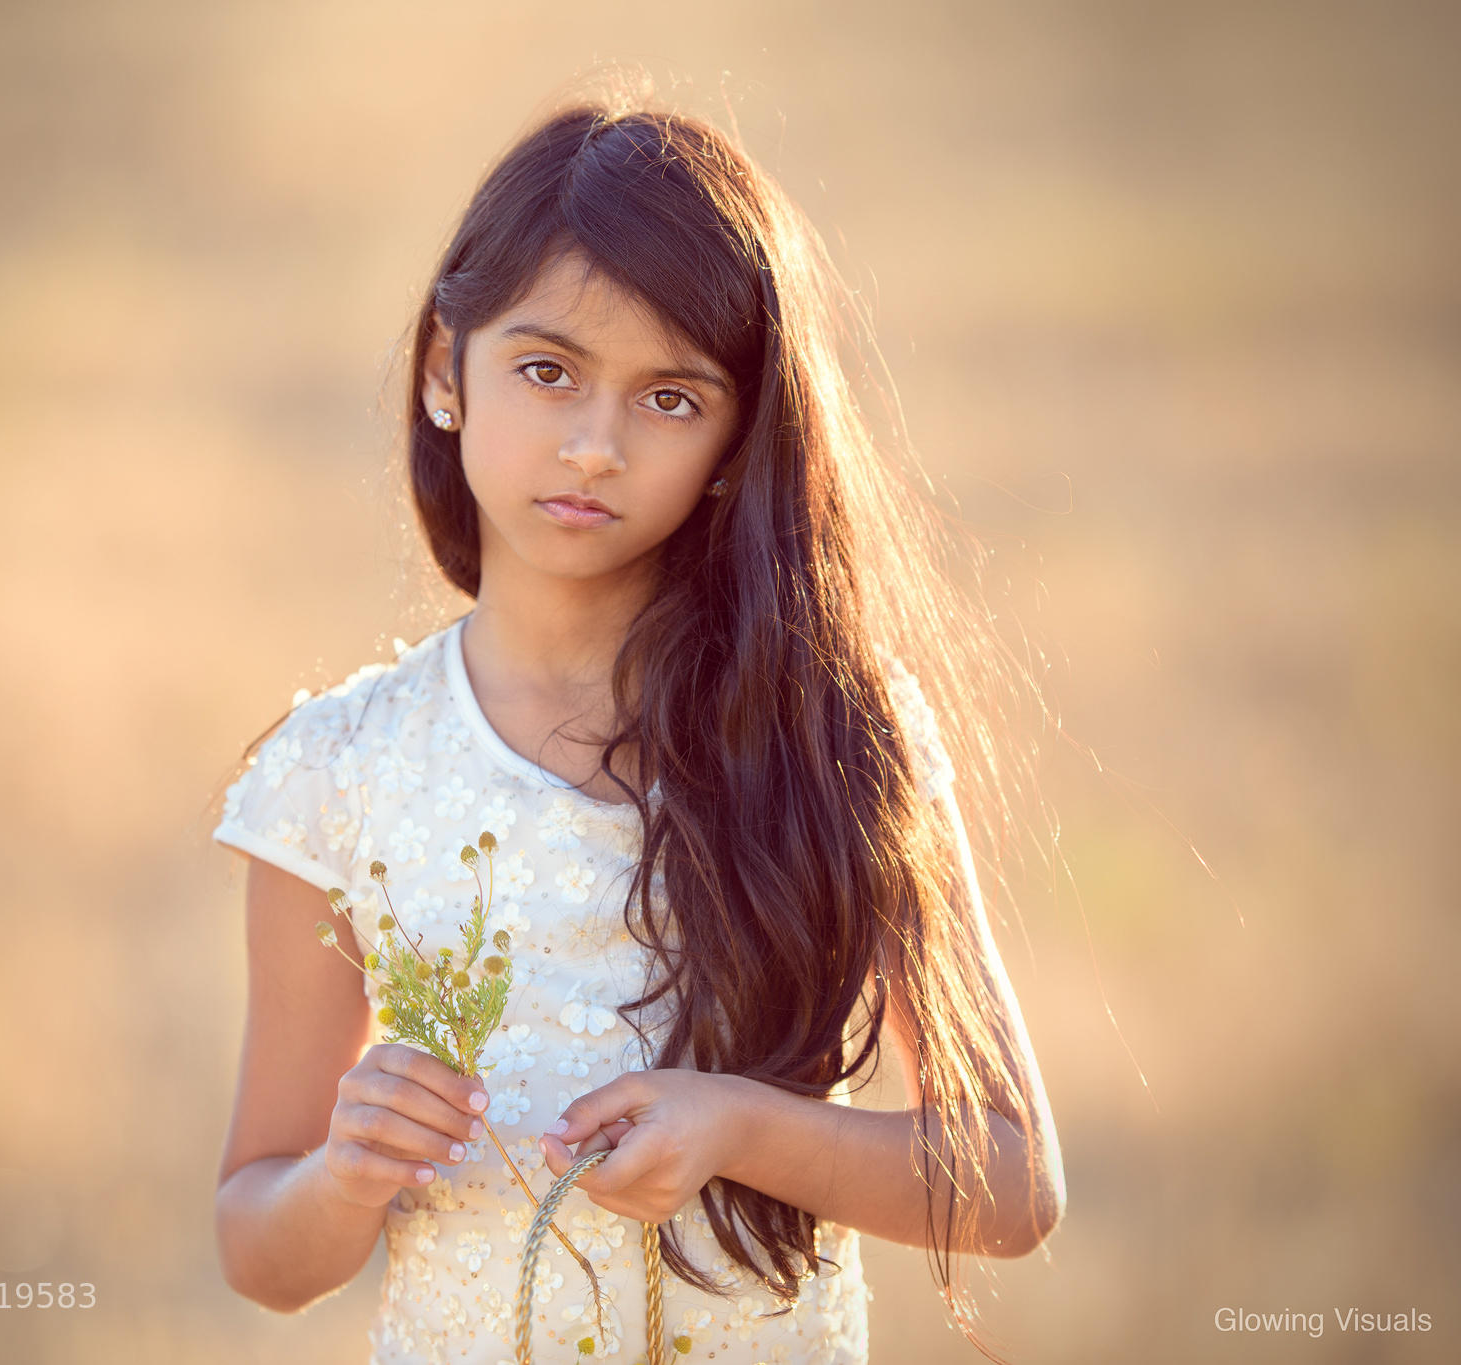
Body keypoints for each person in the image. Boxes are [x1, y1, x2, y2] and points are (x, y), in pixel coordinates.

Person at [210, 90, 1066, 1365]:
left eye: (670, 398)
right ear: (447, 368)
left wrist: (744, 1127)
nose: (596, 446)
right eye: (546, 372)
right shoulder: (336, 774)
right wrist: (344, 1174)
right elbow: (258, 1249)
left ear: (738, 435)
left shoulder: (834, 730)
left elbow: (1009, 1185)